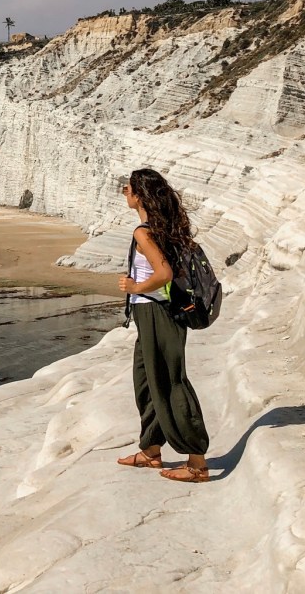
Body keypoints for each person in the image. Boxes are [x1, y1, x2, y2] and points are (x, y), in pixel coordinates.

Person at [115, 168, 210, 482]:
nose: (124, 191)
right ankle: (151, 450)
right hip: (152, 315)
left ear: (140, 195)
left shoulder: (143, 232)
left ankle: (197, 463)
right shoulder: (161, 227)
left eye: (127, 187)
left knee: (171, 381)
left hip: (158, 313)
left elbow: (164, 274)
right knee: (145, 381)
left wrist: (135, 288)